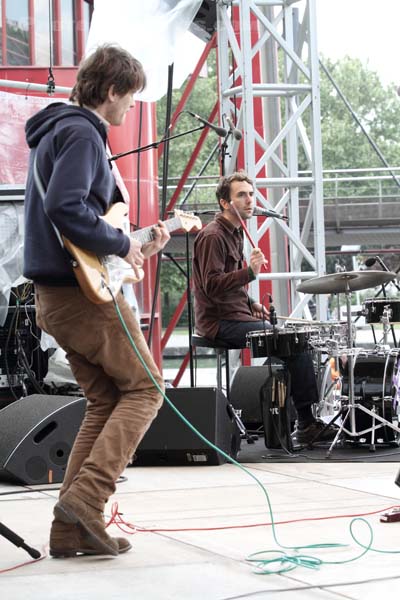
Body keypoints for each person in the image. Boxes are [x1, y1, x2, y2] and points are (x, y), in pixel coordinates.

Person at [23, 44, 170, 558]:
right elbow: (67, 207)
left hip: (55, 296)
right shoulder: (84, 132)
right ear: (110, 91)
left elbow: (70, 213)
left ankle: (69, 532)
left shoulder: (53, 131)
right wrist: (124, 243)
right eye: (130, 99)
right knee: (147, 390)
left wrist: (130, 242)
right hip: (81, 296)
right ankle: (88, 499)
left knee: (106, 400)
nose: (130, 109)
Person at [192, 171, 337, 445]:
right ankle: (306, 423)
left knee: (293, 341)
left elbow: (228, 286)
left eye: (251, 194)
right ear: (225, 202)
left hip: (235, 315)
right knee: (294, 343)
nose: (250, 200)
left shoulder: (234, 233)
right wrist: (250, 271)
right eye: (241, 195)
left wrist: (251, 303)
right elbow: (210, 285)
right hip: (219, 324)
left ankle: (291, 419)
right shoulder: (213, 236)